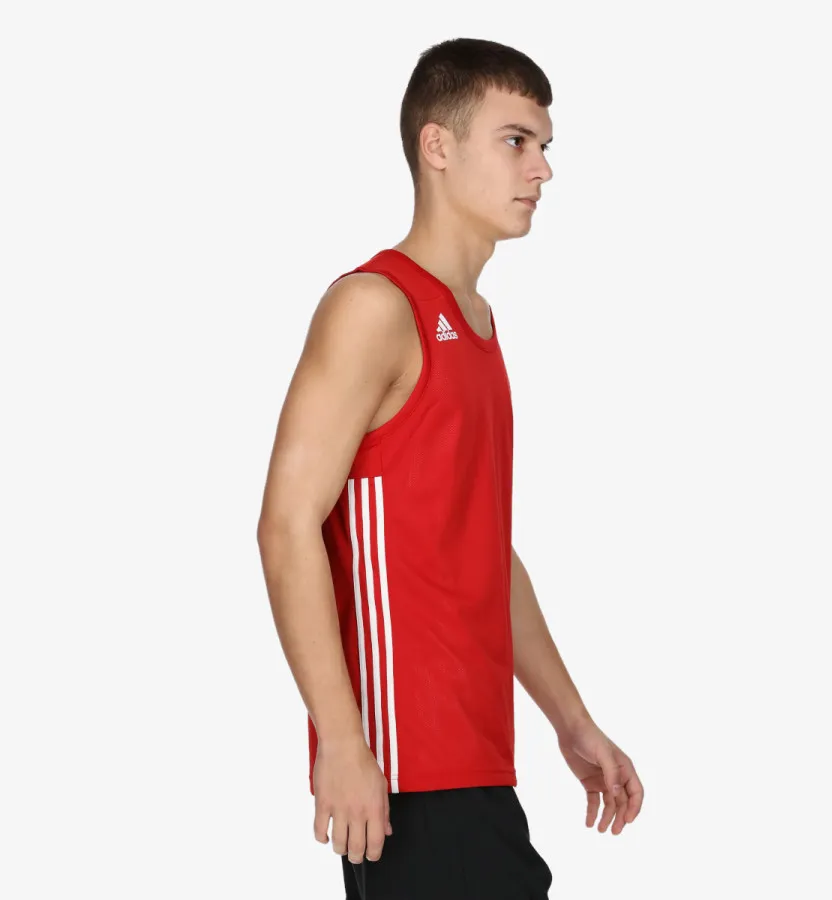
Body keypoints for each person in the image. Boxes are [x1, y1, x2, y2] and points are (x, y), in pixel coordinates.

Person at [257, 36, 644, 899]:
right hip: (405, 772)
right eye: (516, 141)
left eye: (545, 146)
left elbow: (484, 553)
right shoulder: (374, 306)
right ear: (437, 146)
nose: (542, 169)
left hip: (476, 763)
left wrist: (571, 720)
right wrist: (343, 742)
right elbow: (285, 526)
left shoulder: (475, 324)